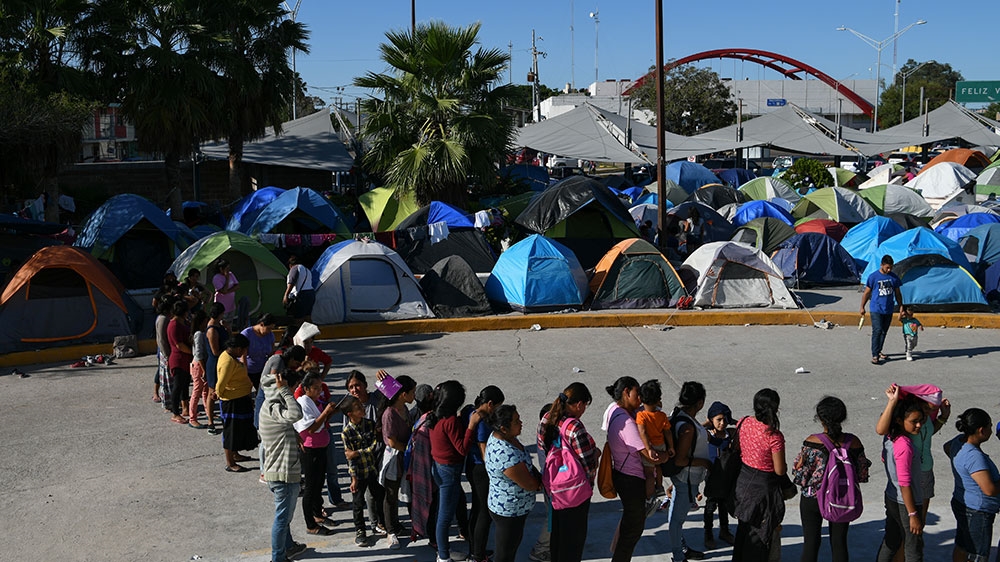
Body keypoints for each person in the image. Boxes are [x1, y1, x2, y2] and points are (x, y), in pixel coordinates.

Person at [791, 396, 871, 562]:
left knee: (811, 544)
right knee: (839, 543)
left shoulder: (811, 442)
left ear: (820, 419)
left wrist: (798, 466)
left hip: (812, 498)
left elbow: (800, 478)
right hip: (841, 498)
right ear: (843, 417)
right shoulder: (854, 442)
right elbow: (862, 475)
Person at [876, 384, 951, 533]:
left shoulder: (923, 418)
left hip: (927, 471)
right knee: (906, 530)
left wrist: (943, 417)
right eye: (928, 408)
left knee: (919, 525)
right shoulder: (906, 419)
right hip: (911, 475)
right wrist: (892, 401)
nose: (930, 412)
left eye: (933, 409)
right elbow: (881, 430)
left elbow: (928, 433)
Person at [537, 383, 597, 562]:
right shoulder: (574, 428)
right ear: (579, 404)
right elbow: (589, 464)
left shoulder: (546, 418)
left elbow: (542, 449)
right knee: (573, 542)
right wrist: (597, 455)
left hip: (553, 488)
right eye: (585, 405)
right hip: (575, 493)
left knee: (558, 535)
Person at [603, 376, 660, 562]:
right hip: (632, 481)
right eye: (637, 393)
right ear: (627, 392)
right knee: (631, 532)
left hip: (623, 476)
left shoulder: (614, 411)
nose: (641, 398)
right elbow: (649, 455)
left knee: (628, 529)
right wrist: (667, 454)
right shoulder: (626, 423)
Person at [428, 380, 482, 562]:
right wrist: (471, 426)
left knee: (443, 511)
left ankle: (443, 551)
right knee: (444, 516)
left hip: (439, 467)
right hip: (449, 471)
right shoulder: (450, 421)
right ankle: (443, 556)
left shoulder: (435, 415)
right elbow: (462, 449)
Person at [258, 368, 307, 562]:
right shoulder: (275, 407)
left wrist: (293, 435)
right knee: (282, 519)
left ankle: (288, 546)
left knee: (284, 516)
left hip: (276, 470)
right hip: (283, 474)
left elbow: (284, 426)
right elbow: (296, 414)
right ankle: (277, 558)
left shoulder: (269, 406)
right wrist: (286, 391)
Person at [732, 388, 787, 562]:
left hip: (742, 484)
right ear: (775, 409)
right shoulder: (774, 436)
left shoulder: (744, 422)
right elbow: (779, 470)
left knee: (743, 530)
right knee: (758, 537)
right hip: (762, 491)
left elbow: (738, 449)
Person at [485, 404, 542, 562]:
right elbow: (530, 484)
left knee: (511, 546)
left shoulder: (506, 437)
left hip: (516, 508)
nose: (521, 423)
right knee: (505, 555)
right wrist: (541, 482)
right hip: (509, 512)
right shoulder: (505, 454)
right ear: (503, 428)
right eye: (517, 421)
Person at [875, 392, 926, 562]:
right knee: (913, 549)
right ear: (899, 420)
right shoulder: (904, 445)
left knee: (892, 541)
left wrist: (893, 400)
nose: (919, 425)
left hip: (891, 496)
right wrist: (913, 514)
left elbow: (881, 427)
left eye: (921, 420)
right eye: (914, 422)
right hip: (906, 503)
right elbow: (905, 484)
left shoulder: (890, 436)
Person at [944, 408, 1000, 562]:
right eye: (990, 426)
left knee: (962, 545)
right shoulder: (974, 457)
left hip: (962, 503)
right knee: (977, 555)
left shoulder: (958, 442)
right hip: (977, 512)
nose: (991, 429)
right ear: (981, 430)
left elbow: (946, 447)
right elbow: (990, 489)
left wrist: (961, 468)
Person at [668, 381, 711, 562]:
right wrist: (706, 463)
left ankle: (681, 547)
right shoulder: (687, 428)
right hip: (686, 478)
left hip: (684, 478)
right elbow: (681, 459)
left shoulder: (680, 415)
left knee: (676, 515)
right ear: (700, 403)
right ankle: (678, 556)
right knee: (677, 521)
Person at [293, 372, 337, 537]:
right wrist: (326, 412)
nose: (320, 391)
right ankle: (310, 524)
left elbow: (321, 421)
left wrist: (330, 411)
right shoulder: (303, 403)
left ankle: (317, 514)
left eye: (321, 387)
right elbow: (311, 428)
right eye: (316, 388)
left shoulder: (313, 401)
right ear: (306, 388)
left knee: (319, 483)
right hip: (311, 450)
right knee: (311, 487)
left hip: (321, 447)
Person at [340, 394, 387, 547]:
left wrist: (357, 452)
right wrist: (353, 478)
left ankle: (381, 523)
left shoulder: (369, 424)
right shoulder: (346, 433)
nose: (362, 409)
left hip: (372, 470)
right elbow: (350, 458)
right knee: (358, 504)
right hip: (359, 474)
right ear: (350, 414)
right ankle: (360, 531)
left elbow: (374, 446)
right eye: (358, 408)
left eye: (361, 406)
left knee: (379, 496)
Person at [466, 385, 505, 562]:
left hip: (472, 467)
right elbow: (484, 451)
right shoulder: (482, 421)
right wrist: (494, 471)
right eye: (497, 406)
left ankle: (475, 548)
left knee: (476, 509)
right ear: (490, 404)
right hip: (481, 469)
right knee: (483, 512)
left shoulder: (470, 412)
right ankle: (478, 554)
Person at [380, 374, 417, 550]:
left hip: (404, 458)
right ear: (403, 394)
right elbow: (392, 441)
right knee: (390, 496)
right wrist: (409, 449)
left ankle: (397, 524)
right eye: (412, 392)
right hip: (394, 459)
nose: (414, 396)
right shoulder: (390, 414)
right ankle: (390, 531)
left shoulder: (405, 411)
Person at [215, 333, 259, 472]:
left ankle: (235, 454)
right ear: (238, 348)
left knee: (239, 430)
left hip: (241, 399)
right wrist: (218, 395)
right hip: (232, 401)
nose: (245, 352)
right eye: (244, 349)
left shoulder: (231, 357)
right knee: (231, 431)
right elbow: (221, 384)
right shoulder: (228, 361)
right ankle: (230, 462)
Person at [703, 401, 736, 550]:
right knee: (710, 507)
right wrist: (707, 422)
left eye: (724, 419)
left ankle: (724, 530)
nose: (722, 423)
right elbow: (698, 428)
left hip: (727, 478)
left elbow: (743, 425)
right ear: (711, 420)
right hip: (712, 477)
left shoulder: (730, 435)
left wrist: (733, 420)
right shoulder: (708, 435)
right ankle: (708, 534)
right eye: (718, 420)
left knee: (724, 506)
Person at [636, 379, 675, 501]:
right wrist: (671, 447)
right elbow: (667, 432)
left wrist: (648, 449)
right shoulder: (662, 415)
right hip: (661, 444)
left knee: (648, 473)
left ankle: (649, 497)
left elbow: (643, 433)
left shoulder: (641, 416)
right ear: (658, 399)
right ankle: (659, 486)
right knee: (658, 467)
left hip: (651, 446)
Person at [860, 254, 903, 364]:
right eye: (887, 267)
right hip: (876, 308)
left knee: (884, 331)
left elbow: (898, 294)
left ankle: (879, 351)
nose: (889, 270)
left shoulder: (894, 277)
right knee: (877, 330)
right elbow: (866, 293)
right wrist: (862, 307)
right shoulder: (873, 277)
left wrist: (901, 306)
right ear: (881, 265)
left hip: (888, 308)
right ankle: (875, 355)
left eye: (890, 267)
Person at [166, 300, 192, 424]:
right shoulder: (174, 325)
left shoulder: (183, 322)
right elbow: (179, 345)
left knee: (185, 385)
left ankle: (185, 408)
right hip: (178, 359)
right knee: (177, 387)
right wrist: (192, 352)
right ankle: (176, 413)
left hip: (185, 360)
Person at [204, 302, 228, 434]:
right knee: (212, 392)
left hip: (223, 362)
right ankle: (210, 421)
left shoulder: (220, 326)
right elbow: (215, 351)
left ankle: (223, 417)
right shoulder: (212, 329)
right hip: (215, 363)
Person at [240, 313, 276, 391]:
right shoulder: (247, 334)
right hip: (248, 370)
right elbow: (243, 356)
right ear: (261, 324)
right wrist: (244, 375)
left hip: (262, 370)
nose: (270, 331)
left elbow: (271, 352)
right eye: (268, 328)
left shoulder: (270, 335)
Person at [187, 310, 210, 429]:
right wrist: (204, 369)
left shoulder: (200, 333)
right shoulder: (199, 334)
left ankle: (208, 412)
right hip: (199, 365)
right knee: (197, 392)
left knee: (205, 390)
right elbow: (199, 354)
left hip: (200, 364)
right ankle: (192, 418)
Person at [283, 255, 315, 330]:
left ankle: (297, 336)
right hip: (310, 294)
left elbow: (291, 283)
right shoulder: (307, 270)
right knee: (307, 317)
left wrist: (285, 295)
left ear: (290, 265)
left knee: (298, 319)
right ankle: (310, 336)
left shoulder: (295, 268)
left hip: (301, 296)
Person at [154, 296, 174, 409]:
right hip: (165, 353)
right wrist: (167, 355)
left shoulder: (163, 318)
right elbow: (161, 339)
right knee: (167, 380)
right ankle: (168, 403)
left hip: (165, 352)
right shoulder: (163, 319)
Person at [211, 258, 239, 323]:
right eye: (227, 268)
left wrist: (227, 292)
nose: (228, 270)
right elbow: (223, 290)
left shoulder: (231, 274)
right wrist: (227, 279)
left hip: (231, 306)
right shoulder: (216, 278)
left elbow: (237, 286)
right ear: (221, 269)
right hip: (222, 307)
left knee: (229, 324)